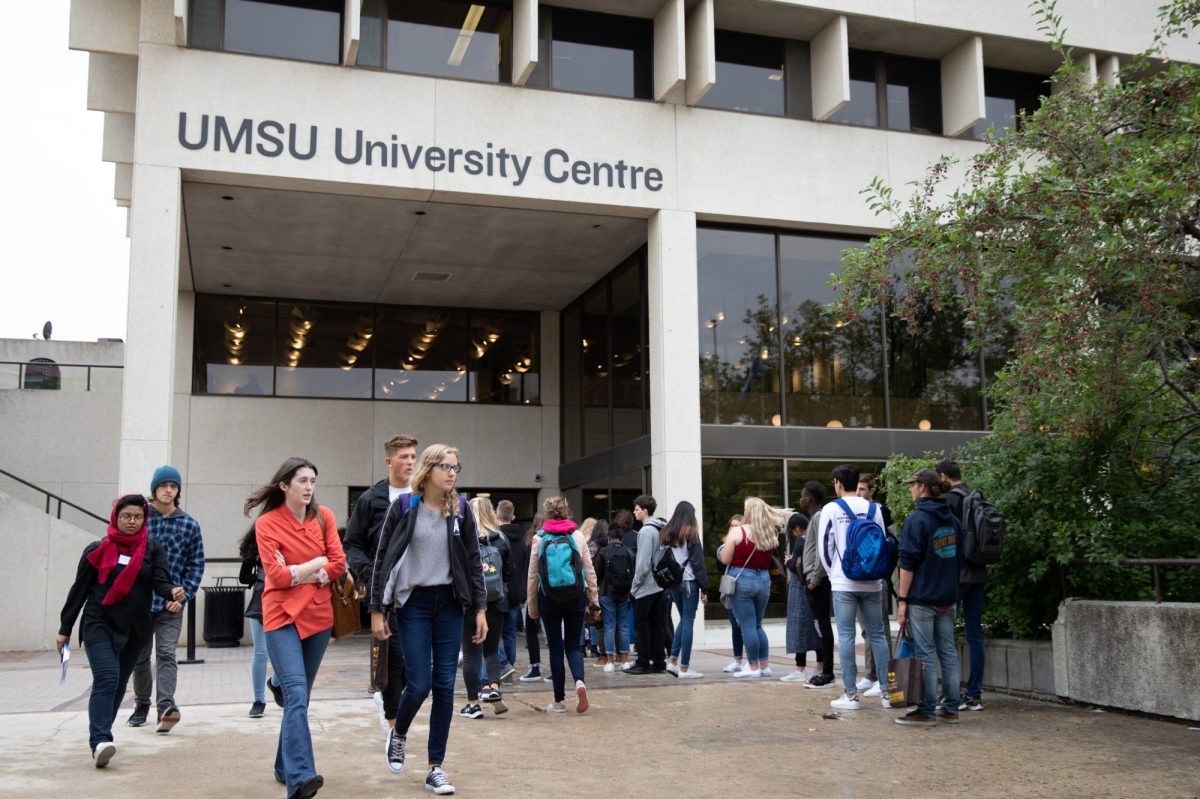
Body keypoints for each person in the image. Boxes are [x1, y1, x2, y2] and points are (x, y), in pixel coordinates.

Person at [369, 444, 486, 795]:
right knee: (419, 683)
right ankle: (399, 733)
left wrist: (480, 608)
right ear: (428, 470)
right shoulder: (404, 507)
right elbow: (382, 561)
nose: (453, 473)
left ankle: (436, 767)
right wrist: (377, 609)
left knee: (445, 686)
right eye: (446, 467)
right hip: (414, 603)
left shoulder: (461, 510)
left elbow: (474, 561)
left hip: (449, 604)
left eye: (456, 467)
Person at [57, 494, 182, 768]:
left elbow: (161, 581)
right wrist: (65, 629)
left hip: (135, 628)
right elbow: (79, 591)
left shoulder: (152, 548)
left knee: (118, 685)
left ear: (144, 519)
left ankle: (102, 738)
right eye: (126, 516)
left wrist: (173, 591)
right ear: (115, 516)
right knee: (107, 678)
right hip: (99, 623)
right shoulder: (97, 548)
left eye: (137, 517)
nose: (132, 521)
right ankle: (100, 740)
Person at [250, 457, 345, 799]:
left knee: (296, 699)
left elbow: (338, 562)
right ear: (284, 486)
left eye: (312, 481)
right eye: (302, 481)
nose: (308, 487)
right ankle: (300, 778)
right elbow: (276, 577)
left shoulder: (324, 517)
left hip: (318, 618)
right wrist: (317, 564)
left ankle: (282, 765)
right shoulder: (267, 524)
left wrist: (301, 570)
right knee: (298, 695)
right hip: (281, 616)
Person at [344, 433, 418, 732]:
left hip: (421, 589)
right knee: (394, 656)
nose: (410, 462)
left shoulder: (425, 495)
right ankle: (392, 717)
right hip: (386, 593)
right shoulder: (371, 499)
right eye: (404, 456)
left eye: (414, 456)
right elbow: (352, 543)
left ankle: (395, 707)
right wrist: (371, 572)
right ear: (389, 461)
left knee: (417, 661)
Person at [128, 465, 204, 733]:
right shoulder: (142, 521)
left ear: (178, 491)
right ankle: (141, 704)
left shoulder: (189, 524)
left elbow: (196, 565)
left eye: (173, 486)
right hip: (140, 601)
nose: (168, 490)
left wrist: (184, 594)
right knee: (140, 656)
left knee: (166, 653)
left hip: (172, 602)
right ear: (154, 490)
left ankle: (165, 707)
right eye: (163, 486)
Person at [818, 465, 892, 711]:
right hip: (872, 582)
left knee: (847, 637)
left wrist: (834, 574)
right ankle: (886, 692)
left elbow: (825, 548)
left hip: (843, 582)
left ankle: (850, 695)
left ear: (838, 483)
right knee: (878, 635)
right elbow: (881, 543)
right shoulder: (875, 509)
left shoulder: (831, 509)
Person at [895, 469, 963, 726]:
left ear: (923, 486)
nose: (910, 489)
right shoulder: (953, 520)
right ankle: (952, 708)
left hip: (923, 598)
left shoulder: (917, 520)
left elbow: (907, 564)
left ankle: (927, 710)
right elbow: (959, 557)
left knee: (924, 653)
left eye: (911, 484)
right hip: (948, 596)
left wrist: (902, 600)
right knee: (947, 652)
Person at [526, 496, 600, 713]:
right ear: (567, 512)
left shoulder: (540, 538)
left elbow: (532, 575)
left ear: (546, 513)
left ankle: (559, 701)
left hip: (549, 598)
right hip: (575, 596)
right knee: (573, 645)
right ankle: (579, 682)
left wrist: (532, 605)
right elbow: (589, 570)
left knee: (556, 648)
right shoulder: (577, 536)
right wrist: (593, 598)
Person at [718, 497, 789, 680]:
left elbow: (725, 559)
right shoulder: (769, 534)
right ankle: (764, 665)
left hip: (742, 580)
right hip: (764, 580)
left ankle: (753, 666)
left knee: (747, 625)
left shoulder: (738, 532)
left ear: (748, 511)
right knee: (757, 625)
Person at [939, 459, 986, 712]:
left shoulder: (951, 500)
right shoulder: (975, 496)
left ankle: (951, 693)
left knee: (945, 634)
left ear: (944, 476)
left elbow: (945, 541)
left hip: (957, 574)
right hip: (978, 572)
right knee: (975, 633)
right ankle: (975, 694)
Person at [459, 496, 511, 719]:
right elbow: (509, 573)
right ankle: (494, 689)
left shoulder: (462, 538)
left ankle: (473, 704)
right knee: (491, 649)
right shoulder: (501, 539)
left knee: (470, 654)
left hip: (470, 603)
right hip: (497, 602)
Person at [853, 473, 894, 697]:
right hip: (858, 575)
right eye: (857, 489)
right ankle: (870, 674)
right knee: (867, 630)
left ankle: (884, 676)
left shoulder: (879, 511)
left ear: (871, 491)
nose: (859, 493)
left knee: (879, 628)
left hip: (876, 575)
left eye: (863, 489)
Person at [661, 501, 709, 679]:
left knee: (683, 620)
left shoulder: (667, 533)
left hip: (674, 583)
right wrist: (705, 587)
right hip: (689, 582)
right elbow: (698, 563)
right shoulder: (691, 533)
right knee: (688, 621)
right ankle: (684, 668)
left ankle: (673, 661)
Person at [624, 505, 668, 676]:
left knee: (642, 626)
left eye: (637, 509)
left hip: (646, 587)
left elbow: (642, 565)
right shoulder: (661, 528)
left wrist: (634, 587)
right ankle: (658, 663)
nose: (634, 512)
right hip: (660, 585)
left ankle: (643, 662)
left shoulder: (645, 532)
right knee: (658, 625)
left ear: (645, 510)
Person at [800, 482, 837, 689]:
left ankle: (828, 673)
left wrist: (814, 579)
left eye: (802, 495)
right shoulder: (815, 518)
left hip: (819, 582)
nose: (800, 499)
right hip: (815, 580)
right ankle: (826, 671)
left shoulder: (819, 517)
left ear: (810, 498)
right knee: (819, 625)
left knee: (823, 625)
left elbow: (825, 550)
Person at [782, 513, 824, 682]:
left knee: (799, 627)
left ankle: (800, 668)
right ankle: (821, 666)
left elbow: (797, 566)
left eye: (793, 531)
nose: (794, 534)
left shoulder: (801, 541)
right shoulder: (816, 537)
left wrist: (788, 562)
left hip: (800, 589)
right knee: (817, 628)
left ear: (798, 528)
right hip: (815, 588)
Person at [238, 525, 271, 718]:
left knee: (289, 650)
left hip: (287, 602)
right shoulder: (255, 549)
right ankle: (259, 700)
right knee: (261, 652)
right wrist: (261, 576)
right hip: (260, 601)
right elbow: (243, 577)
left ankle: (276, 684)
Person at [593, 524, 633, 672]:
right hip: (624, 593)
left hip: (607, 593)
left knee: (609, 626)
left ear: (609, 537)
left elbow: (596, 573)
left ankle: (609, 662)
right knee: (623, 626)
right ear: (622, 537)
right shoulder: (627, 552)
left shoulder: (603, 551)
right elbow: (632, 573)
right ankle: (624, 660)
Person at [496, 499, 526, 681]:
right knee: (510, 634)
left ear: (496, 515)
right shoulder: (522, 540)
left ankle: (503, 663)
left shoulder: (496, 538)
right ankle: (509, 671)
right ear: (513, 516)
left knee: (492, 633)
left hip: (499, 592)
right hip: (516, 593)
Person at [518, 511, 546, 683]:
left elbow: (529, 572)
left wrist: (526, 593)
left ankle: (535, 667)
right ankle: (555, 670)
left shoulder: (531, 541)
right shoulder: (556, 538)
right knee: (552, 631)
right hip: (553, 590)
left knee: (531, 629)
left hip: (534, 590)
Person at [718, 514, 748, 674]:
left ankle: (752, 661)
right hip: (731, 589)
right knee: (735, 627)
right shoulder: (725, 546)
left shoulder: (749, 544)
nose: (735, 529)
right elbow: (721, 561)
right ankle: (737, 660)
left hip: (745, 588)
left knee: (748, 626)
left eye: (738, 526)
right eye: (732, 526)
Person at [585, 518, 609, 664]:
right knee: (611, 623)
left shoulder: (590, 546)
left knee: (598, 623)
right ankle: (616, 654)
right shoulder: (610, 546)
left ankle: (602, 655)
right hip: (609, 588)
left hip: (595, 588)